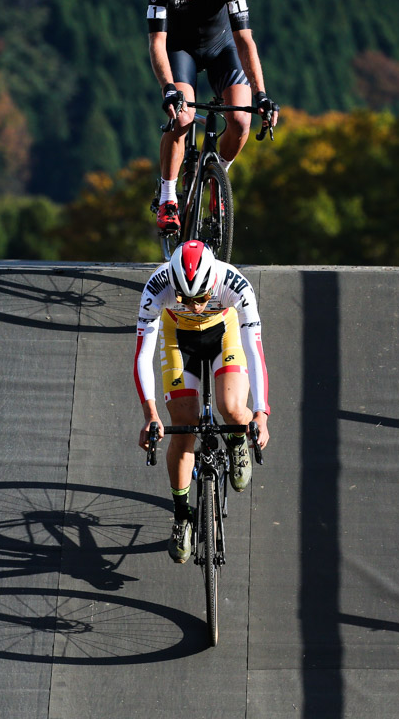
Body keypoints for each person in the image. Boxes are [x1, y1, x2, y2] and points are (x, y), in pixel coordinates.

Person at [134, 240, 270, 563]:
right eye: (185, 298)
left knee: (234, 407)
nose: (195, 306)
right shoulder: (157, 287)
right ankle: (182, 517)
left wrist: (261, 412)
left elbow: (255, 350)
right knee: (184, 428)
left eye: (202, 297)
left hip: (223, 332)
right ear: (173, 284)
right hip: (178, 338)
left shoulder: (235, 285)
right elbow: (143, 355)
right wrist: (150, 414)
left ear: (214, 283)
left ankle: (236, 441)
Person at [147, 0, 278, 232]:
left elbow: (244, 40)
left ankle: (218, 176)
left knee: (242, 121)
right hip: (180, 50)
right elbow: (157, 42)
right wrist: (168, 89)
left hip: (223, 49)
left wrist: (261, 94)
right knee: (181, 118)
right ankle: (168, 197)